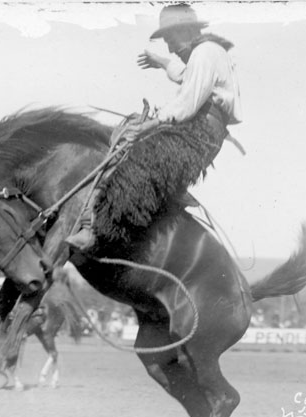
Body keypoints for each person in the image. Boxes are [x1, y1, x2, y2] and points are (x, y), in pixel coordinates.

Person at [65, 3, 242, 252]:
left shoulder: (205, 53)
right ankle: (167, 191)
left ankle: (95, 230)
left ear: (186, 31)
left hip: (198, 132)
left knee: (132, 162)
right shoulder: (208, 53)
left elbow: (186, 103)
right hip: (202, 133)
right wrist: (161, 62)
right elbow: (187, 76)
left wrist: (150, 124)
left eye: (170, 39)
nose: (169, 46)